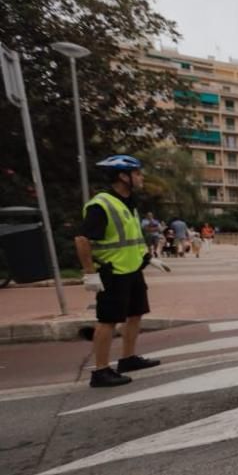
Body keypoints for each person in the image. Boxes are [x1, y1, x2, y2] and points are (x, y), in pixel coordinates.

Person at [74, 155, 163, 388]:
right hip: (113, 271)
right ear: (124, 176)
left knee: (136, 314)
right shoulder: (101, 204)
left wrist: (146, 256)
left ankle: (128, 359)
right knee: (108, 320)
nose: (141, 178)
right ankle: (100, 371)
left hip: (132, 269)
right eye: (137, 174)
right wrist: (90, 272)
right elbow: (82, 239)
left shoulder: (128, 202)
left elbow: (130, 237)